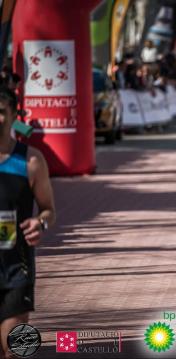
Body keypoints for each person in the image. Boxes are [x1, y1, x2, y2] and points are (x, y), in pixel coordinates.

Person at [0, 87, 56, 358]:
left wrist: (40, 224)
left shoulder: (31, 161)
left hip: (15, 268)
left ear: (13, 115)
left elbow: (48, 210)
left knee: (16, 350)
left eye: (1, 112)